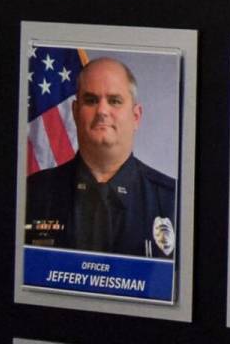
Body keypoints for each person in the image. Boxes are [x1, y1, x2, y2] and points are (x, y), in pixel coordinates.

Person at [24, 57, 176, 258]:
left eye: (114, 101)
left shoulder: (173, 201)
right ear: (75, 112)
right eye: (91, 100)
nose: (102, 110)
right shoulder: (31, 194)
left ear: (136, 116)